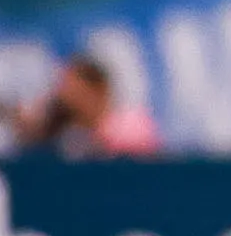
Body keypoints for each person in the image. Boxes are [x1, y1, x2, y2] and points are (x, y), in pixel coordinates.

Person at [15, 54, 162, 158]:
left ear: (96, 89)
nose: (66, 99)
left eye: (73, 90)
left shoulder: (130, 125)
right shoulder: (73, 137)